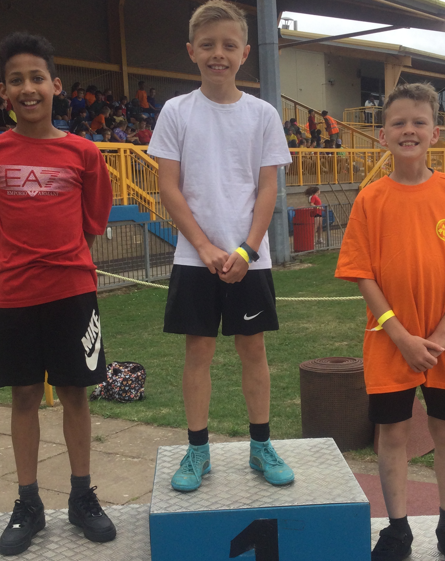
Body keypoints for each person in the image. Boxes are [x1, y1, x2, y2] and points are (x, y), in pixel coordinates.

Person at [334, 81, 445, 561]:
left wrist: (444, 334)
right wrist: (399, 335)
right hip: (390, 342)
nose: (409, 130)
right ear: (382, 135)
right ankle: (397, 529)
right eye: (399, 123)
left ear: (435, 134)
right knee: (393, 433)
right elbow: (361, 272)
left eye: (419, 122)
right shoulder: (371, 199)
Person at [0, 31, 115, 556]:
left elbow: (92, 223)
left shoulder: (84, 153)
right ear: (2, 91)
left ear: (55, 85)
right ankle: (28, 502)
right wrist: (23, 263)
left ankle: (81, 497)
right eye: (16, 80)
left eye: (36, 78)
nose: (27, 88)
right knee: (24, 395)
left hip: (72, 290)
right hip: (14, 296)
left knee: (76, 393)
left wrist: (64, 262)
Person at [148, 0, 294, 493]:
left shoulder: (262, 115)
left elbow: (267, 189)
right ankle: (197, 451)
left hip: (248, 257)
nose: (218, 54)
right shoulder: (176, 111)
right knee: (199, 351)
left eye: (229, 45)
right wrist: (206, 247)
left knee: (253, 349)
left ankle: (260, 445)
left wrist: (247, 251)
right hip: (195, 256)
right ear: (191, 51)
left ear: (245, 52)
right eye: (208, 45)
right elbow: (170, 186)